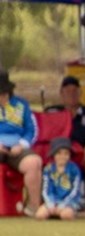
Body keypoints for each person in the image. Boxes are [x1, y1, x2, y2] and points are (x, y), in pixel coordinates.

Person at [0, 69, 44, 216]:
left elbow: (32, 129)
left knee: (34, 162)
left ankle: (33, 207)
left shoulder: (21, 105)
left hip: (16, 147)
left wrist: (22, 145)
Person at [45, 75, 85, 150]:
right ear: (61, 93)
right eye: (68, 91)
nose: (71, 94)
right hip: (58, 154)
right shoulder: (52, 112)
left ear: (80, 92)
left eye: (75, 90)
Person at [36, 138, 83, 220]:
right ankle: (53, 213)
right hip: (52, 201)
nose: (62, 157)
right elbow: (45, 190)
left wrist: (63, 204)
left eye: (66, 154)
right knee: (40, 215)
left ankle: (64, 212)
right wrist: (50, 203)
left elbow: (75, 191)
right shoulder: (48, 169)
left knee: (66, 215)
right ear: (53, 155)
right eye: (59, 153)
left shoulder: (74, 169)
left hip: (69, 202)